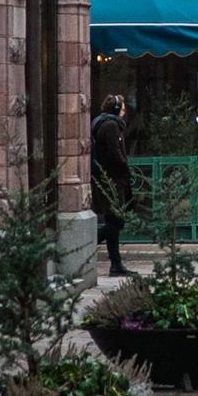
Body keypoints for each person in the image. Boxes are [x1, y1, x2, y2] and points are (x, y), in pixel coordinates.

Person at [89, 92, 136, 277]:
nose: (124, 111)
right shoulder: (110, 126)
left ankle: (116, 264)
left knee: (113, 222)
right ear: (116, 109)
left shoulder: (105, 124)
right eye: (122, 108)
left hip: (109, 180)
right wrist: (125, 168)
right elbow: (114, 154)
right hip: (112, 181)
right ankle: (90, 244)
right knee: (115, 222)